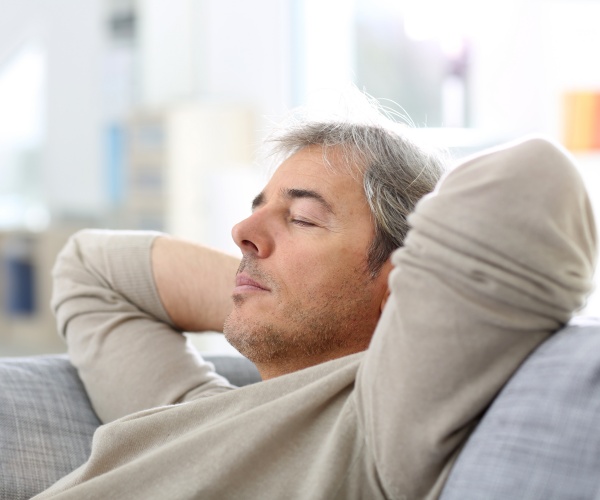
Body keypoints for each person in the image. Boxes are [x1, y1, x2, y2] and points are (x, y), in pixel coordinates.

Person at [36, 104, 596, 498]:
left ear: (401, 283)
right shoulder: (193, 410)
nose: (241, 230)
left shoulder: (379, 423)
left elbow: (533, 179)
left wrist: (383, 310)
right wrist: (256, 292)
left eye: (302, 217)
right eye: (257, 207)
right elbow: (89, 268)